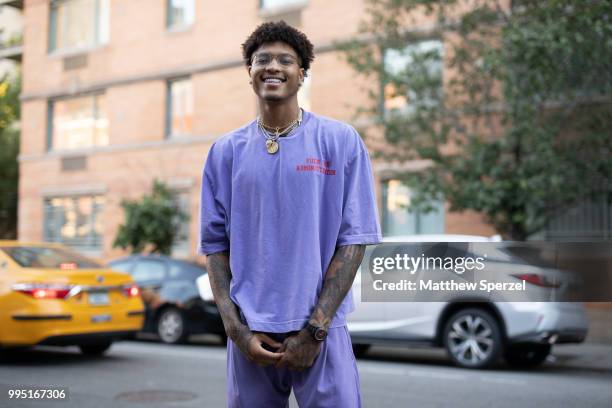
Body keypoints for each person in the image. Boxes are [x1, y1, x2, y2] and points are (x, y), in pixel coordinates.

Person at [199, 20, 382, 408]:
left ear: (302, 73)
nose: (273, 66)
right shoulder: (224, 152)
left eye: (286, 59)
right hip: (251, 336)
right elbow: (215, 247)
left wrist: (315, 330)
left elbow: (354, 240)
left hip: (322, 331)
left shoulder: (340, 141)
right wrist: (236, 331)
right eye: (261, 59)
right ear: (249, 72)